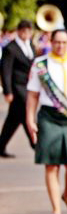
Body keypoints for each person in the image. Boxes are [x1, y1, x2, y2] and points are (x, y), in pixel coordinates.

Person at [25, 29, 67, 214]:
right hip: (49, 116)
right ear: (51, 42)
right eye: (57, 42)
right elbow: (33, 94)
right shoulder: (40, 64)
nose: (60, 46)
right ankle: (56, 208)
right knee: (51, 165)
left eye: (64, 42)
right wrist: (29, 119)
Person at [0, 20, 38, 157]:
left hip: (29, 87)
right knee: (27, 113)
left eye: (29, 31)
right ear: (19, 31)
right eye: (24, 31)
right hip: (17, 87)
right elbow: (6, 71)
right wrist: (7, 91)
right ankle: (36, 144)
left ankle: (1, 145)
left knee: (13, 120)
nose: (26, 34)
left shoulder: (31, 46)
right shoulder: (11, 48)